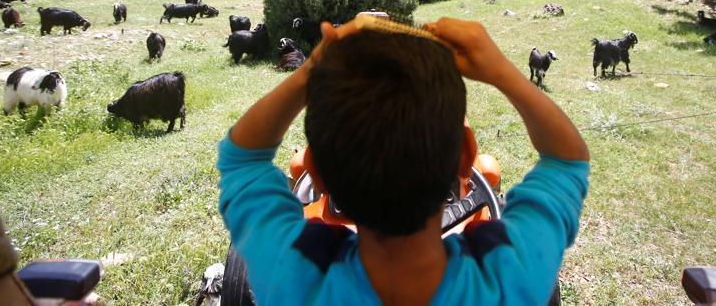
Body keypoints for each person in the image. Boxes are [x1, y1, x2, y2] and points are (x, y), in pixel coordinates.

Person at [218, 18, 590, 305]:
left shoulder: (294, 280)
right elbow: (566, 159)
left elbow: (243, 159)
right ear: (465, 155)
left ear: (313, 171)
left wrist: (313, 68)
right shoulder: (511, 279)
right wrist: (501, 72)